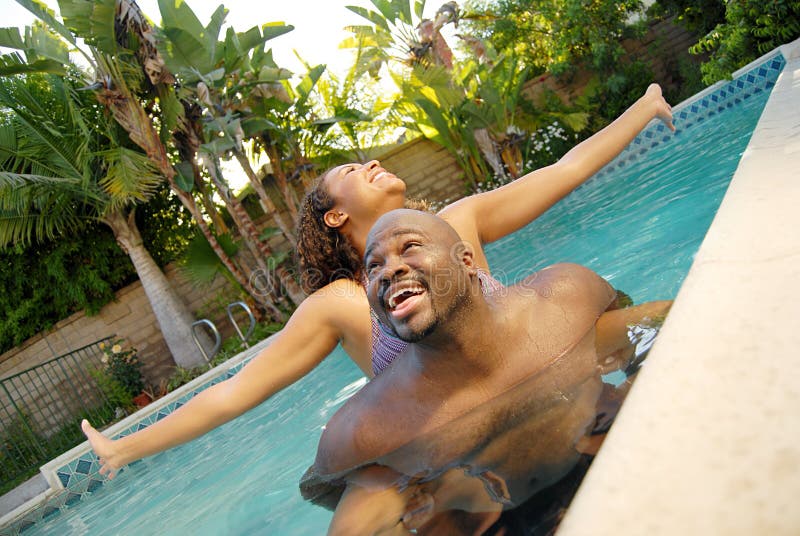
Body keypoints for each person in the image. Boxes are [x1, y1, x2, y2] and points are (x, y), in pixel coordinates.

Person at [81, 84, 675, 478]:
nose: (369, 163)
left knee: (666, 323)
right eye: (350, 170)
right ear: (334, 216)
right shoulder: (340, 305)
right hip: (474, 441)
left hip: (551, 376)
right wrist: (126, 447)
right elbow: (237, 392)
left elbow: (563, 170)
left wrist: (645, 105)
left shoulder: (456, 225)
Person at [305, 209, 673, 535]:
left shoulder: (565, 298)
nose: (389, 270)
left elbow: (651, 329)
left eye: (410, 247)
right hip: (489, 518)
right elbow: (336, 497)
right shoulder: (362, 430)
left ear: (466, 260)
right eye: (373, 266)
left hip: (609, 459)